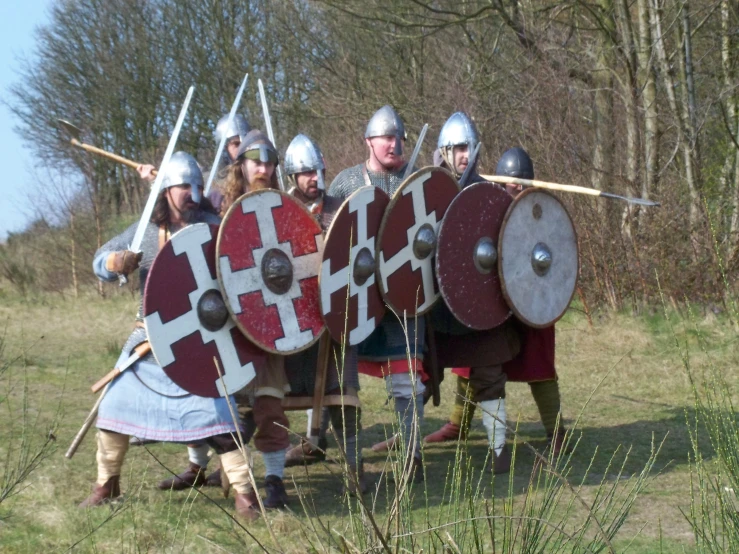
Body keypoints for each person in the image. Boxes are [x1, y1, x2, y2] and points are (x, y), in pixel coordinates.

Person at [80, 152, 257, 521]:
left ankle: (244, 492)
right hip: (150, 342)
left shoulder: (214, 226)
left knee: (222, 416)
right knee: (113, 407)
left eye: (196, 185)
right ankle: (106, 484)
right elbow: (99, 261)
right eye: (184, 186)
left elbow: (242, 270)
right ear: (165, 191)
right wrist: (115, 263)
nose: (192, 193)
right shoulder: (145, 230)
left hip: (201, 341)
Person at [159, 131, 293, 512]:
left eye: (269, 162)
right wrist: (163, 183)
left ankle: (275, 482)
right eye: (256, 161)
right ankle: (209, 470)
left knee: (269, 405)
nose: (263, 168)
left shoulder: (283, 207)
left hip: (269, 322)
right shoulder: (218, 208)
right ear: (242, 165)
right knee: (214, 401)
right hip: (226, 325)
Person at [425, 143, 566, 458]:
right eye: (509, 181)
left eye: (520, 181)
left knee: (539, 363)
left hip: (529, 298)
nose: (514, 186)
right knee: (472, 358)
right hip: (494, 297)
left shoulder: (538, 210)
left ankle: (557, 434)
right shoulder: (491, 203)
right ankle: (458, 423)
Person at [328, 106, 428, 483]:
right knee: (339, 381)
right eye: (386, 137)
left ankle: (412, 455)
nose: (394, 143)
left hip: (402, 297)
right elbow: (328, 239)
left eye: (399, 137)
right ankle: (333, 450)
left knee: (407, 381)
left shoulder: (414, 182)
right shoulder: (345, 183)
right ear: (368, 141)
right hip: (354, 297)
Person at [280, 134, 368, 494]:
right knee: (268, 398)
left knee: (344, 396)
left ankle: (354, 469)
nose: (314, 178)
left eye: (318, 170)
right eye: (306, 173)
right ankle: (250, 477)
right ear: (293, 176)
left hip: (334, 319)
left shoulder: (340, 209)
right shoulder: (277, 212)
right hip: (291, 319)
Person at [207, 113, 251, 213]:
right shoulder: (216, 196)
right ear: (224, 148)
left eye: (247, 142)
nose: (244, 148)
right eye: (237, 144)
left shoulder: (259, 180)